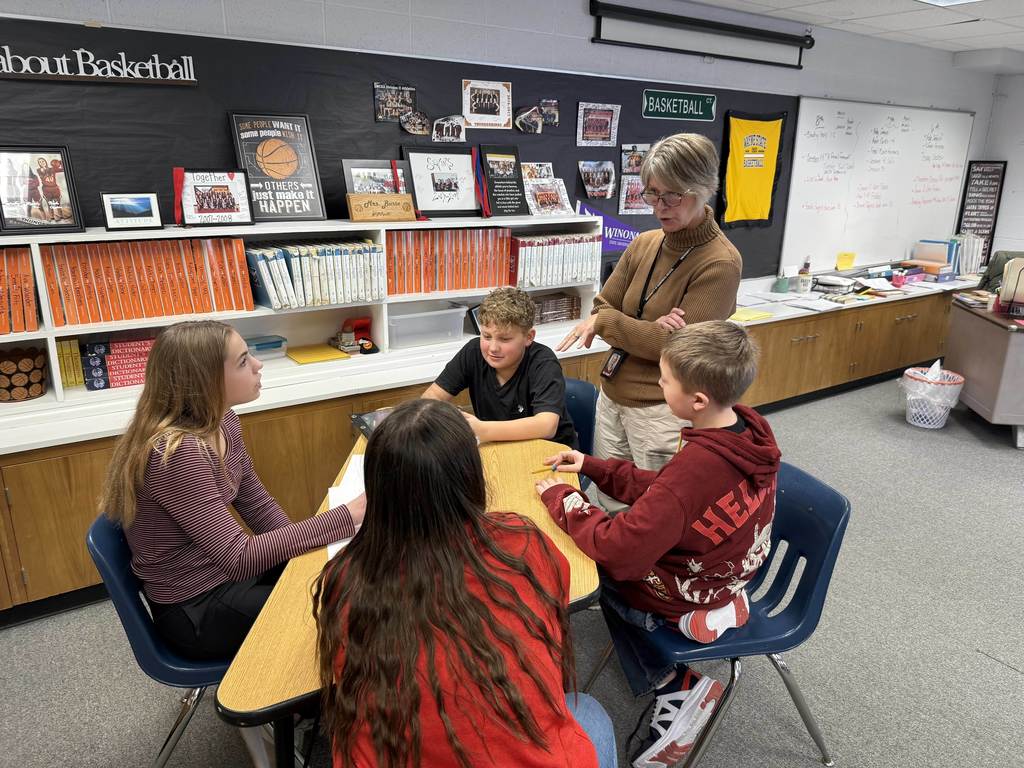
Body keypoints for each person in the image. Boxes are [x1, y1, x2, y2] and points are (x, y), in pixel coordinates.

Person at [313, 399, 617, 768]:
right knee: (590, 714)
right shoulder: (520, 542)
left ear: (377, 491)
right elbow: (555, 606)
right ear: (470, 476)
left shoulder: (347, 579)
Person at [536, 322, 780, 768]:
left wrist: (566, 500)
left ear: (696, 401)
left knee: (598, 574)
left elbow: (621, 550)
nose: (659, 386)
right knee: (610, 533)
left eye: (665, 380)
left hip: (693, 583)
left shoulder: (694, 471)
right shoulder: (746, 430)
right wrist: (595, 466)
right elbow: (670, 491)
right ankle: (717, 606)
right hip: (734, 565)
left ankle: (675, 684)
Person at [98, 320, 363, 662]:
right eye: (242, 361)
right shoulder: (178, 453)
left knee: (341, 576)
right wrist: (348, 516)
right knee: (348, 607)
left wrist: (298, 561)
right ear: (205, 381)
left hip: (225, 578)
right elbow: (238, 559)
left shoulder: (224, 420)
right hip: (196, 606)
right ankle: (313, 707)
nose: (257, 365)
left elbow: (257, 503)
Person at [556, 133, 742, 509]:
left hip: (662, 408)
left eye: (673, 194)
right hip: (612, 394)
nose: (660, 206)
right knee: (609, 498)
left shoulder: (720, 262)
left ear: (704, 188)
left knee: (657, 506)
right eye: (652, 194)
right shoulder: (645, 242)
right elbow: (602, 304)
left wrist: (613, 325)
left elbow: (675, 350)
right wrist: (647, 328)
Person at [423, 286, 578, 447]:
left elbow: (547, 426)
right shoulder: (473, 352)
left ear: (529, 337)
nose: (493, 348)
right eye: (486, 336)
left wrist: (482, 430)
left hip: (551, 454)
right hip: (499, 448)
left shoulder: (543, 362)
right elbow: (433, 396)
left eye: (504, 339)